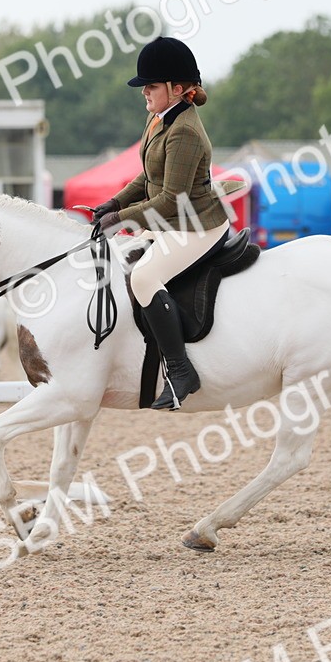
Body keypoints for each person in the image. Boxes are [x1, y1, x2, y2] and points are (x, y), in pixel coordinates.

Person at [89, 36, 231, 411]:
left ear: (177, 89)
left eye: (150, 86)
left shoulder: (184, 131)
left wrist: (119, 219)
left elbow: (171, 199)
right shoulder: (159, 119)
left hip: (197, 225)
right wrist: (115, 201)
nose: (144, 93)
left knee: (143, 278)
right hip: (176, 221)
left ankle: (181, 370)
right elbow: (147, 177)